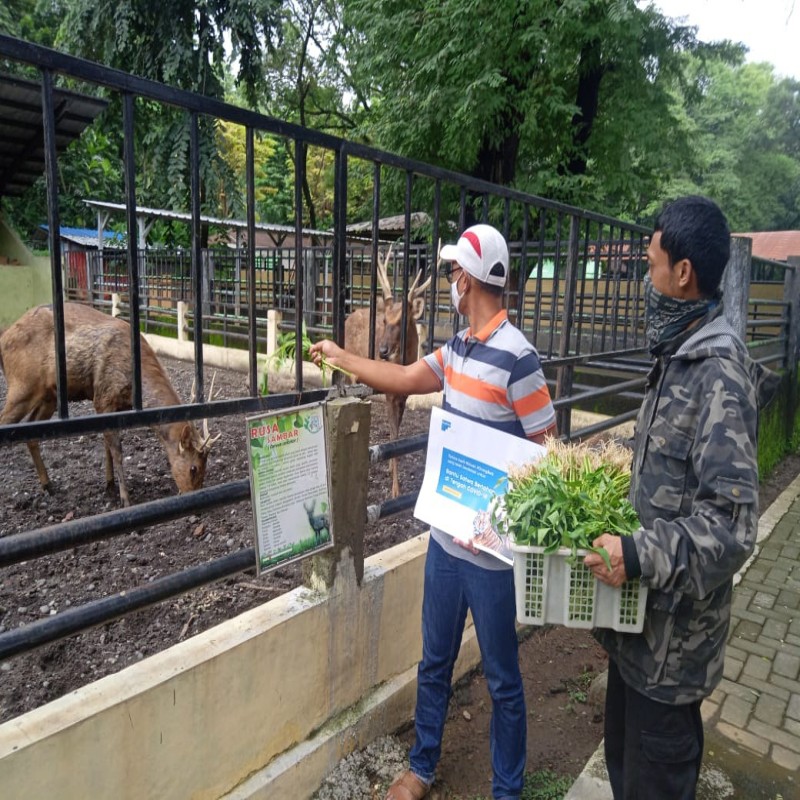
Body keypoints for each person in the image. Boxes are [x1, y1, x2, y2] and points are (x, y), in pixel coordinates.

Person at [311, 223, 556, 800]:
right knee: (434, 661)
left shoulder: (519, 358)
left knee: (502, 680)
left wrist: (509, 507)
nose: (449, 280)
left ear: (467, 280)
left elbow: (549, 451)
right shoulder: (458, 351)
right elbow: (399, 376)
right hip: (446, 543)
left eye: (452, 273)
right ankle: (421, 768)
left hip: (492, 555)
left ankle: (507, 790)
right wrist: (343, 357)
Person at [584, 195, 779, 800]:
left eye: (650, 264)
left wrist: (638, 554)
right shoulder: (677, 358)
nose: (646, 278)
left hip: (671, 656)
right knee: (624, 773)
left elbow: (730, 527)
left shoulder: (716, 372)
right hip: (636, 643)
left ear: (682, 273)